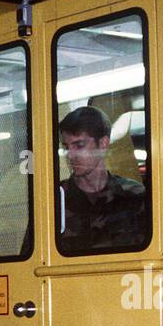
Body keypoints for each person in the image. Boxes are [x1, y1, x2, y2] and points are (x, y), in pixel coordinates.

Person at [57, 105, 148, 251]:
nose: (71, 155)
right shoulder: (55, 202)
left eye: (79, 145)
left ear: (103, 143)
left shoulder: (134, 196)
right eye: (67, 147)